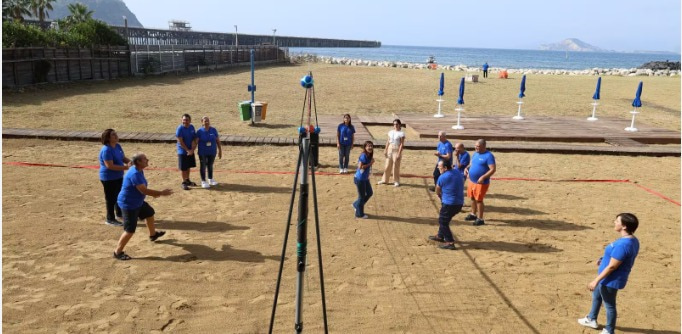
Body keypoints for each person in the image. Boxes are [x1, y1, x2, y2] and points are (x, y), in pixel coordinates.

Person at [578, 213, 640, 334]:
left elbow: (612, 266)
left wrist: (596, 280)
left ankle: (609, 330)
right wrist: (603, 258)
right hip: (608, 278)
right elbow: (617, 256)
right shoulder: (632, 240)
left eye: (617, 221)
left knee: (609, 305)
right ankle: (591, 318)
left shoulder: (623, 245)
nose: (614, 222)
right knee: (597, 296)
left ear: (624, 226)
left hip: (610, 280)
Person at [113, 153, 173, 260]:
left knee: (149, 213)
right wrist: (160, 193)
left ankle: (153, 234)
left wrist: (154, 194)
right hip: (129, 204)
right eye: (145, 159)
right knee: (129, 230)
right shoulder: (135, 174)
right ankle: (117, 252)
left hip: (137, 202)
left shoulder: (139, 169)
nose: (147, 160)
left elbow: (142, 189)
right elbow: (143, 190)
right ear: (138, 162)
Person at [428, 161, 464, 250]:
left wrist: (440, 195)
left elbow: (437, 190)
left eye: (439, 167)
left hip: (449, 203)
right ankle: (440, 235)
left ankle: (450, 242)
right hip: (459, 203)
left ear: (445, 168)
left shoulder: (443, 177)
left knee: (443, 221)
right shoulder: (457, 172)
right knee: (445, 219)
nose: (438, 169)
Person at [99, 129, 131, 227]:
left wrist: (132, 163)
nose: (116, 136)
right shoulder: (106, 150)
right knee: (111, 199)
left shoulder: (117, 146)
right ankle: (110, 219)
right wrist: (126, 167)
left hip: (118, 176)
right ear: (108, 138)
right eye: (113, 135)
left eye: (116, 134)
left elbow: (123, 158)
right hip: (108, 178)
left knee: (119, 196)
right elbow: (110, 166)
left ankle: (119, 214)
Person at [464, 139, 496, 226]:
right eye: (475, 146)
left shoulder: (489, 156)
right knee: (472, 198)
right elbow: (471, 164)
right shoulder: (475, 154)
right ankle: (473, 214)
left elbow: (492, 169)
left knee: (479, 200)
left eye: (478, 146)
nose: (476, 148)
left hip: (481, 182)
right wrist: (467, 169)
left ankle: (480, 218)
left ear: (483, 146)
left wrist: (483, 177)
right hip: (472, 180)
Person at [196, 116, 222, 188]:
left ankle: (210, 179)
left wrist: (220, 150)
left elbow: (217, 141)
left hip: (212, 151)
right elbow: (196, 142)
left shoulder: (213, 130)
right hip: (203, 152)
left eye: (208, 121)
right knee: (203, 165)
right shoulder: (199, 131)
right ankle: (203, 181)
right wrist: (192, 150)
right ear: (202, 122)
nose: (207, 122)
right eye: (205, 121)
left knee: (210, 165)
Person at [378, 119, 405, 187]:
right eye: (394, 124)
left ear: (399, 125)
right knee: (387, 165)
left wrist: (399, 153)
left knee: (396, 165)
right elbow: (388, 141)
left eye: (397, 124)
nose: (395, 125)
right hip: (390, 148)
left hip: (396, 148)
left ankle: (396, 181)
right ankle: (384, 180)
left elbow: (401, 144)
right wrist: (385, 149)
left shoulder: (401, 133)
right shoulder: (390, 132)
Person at [353, 141, 375, 219]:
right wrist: (370, 163)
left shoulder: (369, 155)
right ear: (365, 147)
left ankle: (356, 204)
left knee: (369, 193)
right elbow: (360, 167)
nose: (370, 147)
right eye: (368, 146)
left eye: (371, 146)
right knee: (361, 197)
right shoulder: (363, 155)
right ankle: (359, 214)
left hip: (365, 178)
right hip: (360, 179)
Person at [176, 113, 198, 190]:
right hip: (182, 151)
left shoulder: (192, 127)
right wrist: (187, 150)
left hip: (190, 151)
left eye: (187, 120)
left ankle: (188, 180)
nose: (185, 121)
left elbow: (194, 139)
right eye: (184, 120)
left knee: (188, 166)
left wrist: (192, 150)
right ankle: (184, 182)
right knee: (183, 168)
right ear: (182, 120)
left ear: (190, 120)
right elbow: (181, 142)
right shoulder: (180, 129)